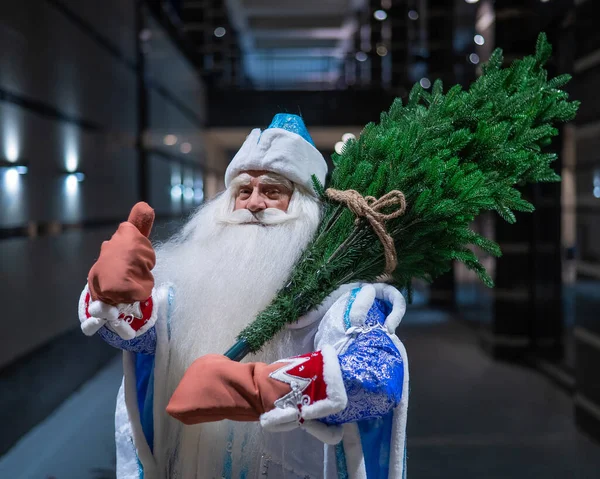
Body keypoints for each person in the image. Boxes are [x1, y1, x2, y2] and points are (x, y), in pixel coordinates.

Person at [78, 114, 409, 479]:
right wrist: (113, 296)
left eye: (271, 191)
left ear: (301, 205)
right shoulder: (191, 283)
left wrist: (261, 387)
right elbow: (140, 340)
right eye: (243, 191)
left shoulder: (341, 298)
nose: (253, 204)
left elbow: (379, 378)